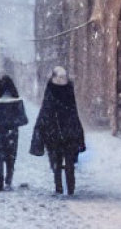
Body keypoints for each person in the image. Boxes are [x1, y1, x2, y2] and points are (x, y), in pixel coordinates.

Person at [30, 66, 86, 195]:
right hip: (53, 133)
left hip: (68, 132)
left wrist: (76, 130)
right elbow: (46, 110)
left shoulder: (68, 90)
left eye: (64, 77)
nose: (62, 80)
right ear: (54, 77)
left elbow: (73, 111)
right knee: (56, 162)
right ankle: (59, 187)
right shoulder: (50, 90)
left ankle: (70, 188)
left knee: (69, 163)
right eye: (59, 77)